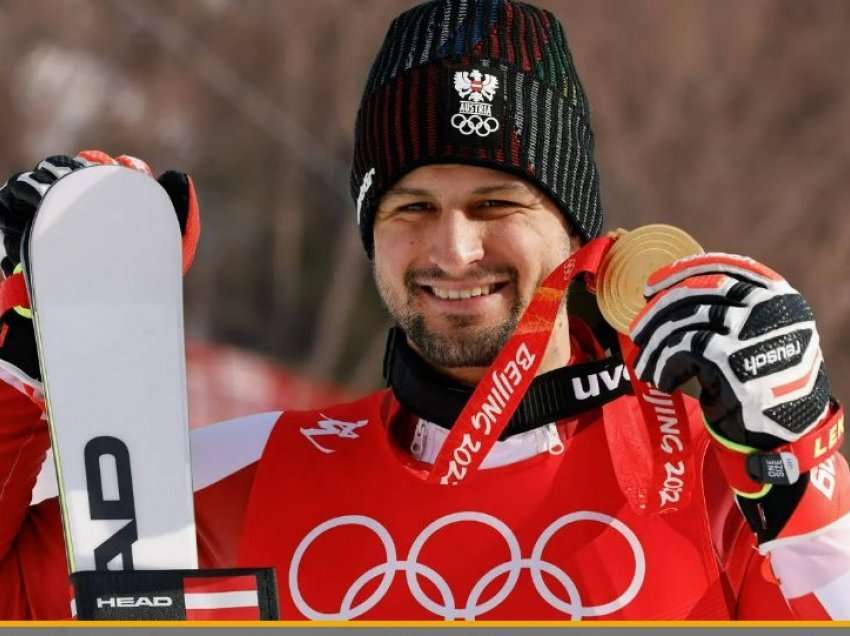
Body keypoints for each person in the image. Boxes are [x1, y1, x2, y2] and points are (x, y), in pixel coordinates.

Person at [0, 0, 848, 621]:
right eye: (410, 208)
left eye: (495, 204)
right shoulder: (237, 483)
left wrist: (801, 467)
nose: (452, 250)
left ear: (579, 232)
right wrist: (17, 356)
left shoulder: (719, 478)